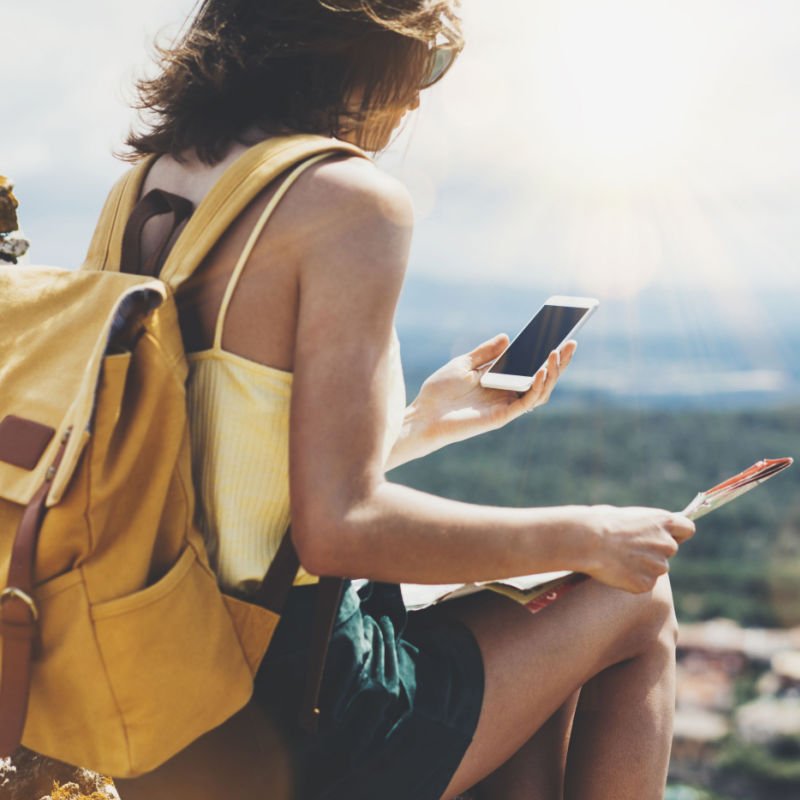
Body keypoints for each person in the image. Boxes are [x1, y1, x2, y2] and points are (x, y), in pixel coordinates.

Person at [119, 1, 695, 797]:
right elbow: (338, 532)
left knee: (531, 659)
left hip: (159, 674)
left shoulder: (147, 190)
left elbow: (211, 462)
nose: (419, 98)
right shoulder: (348, 202)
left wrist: (421, 422)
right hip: (294, 701)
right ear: (349, 46)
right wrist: (590, 535)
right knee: (636, 601)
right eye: (420, 64)